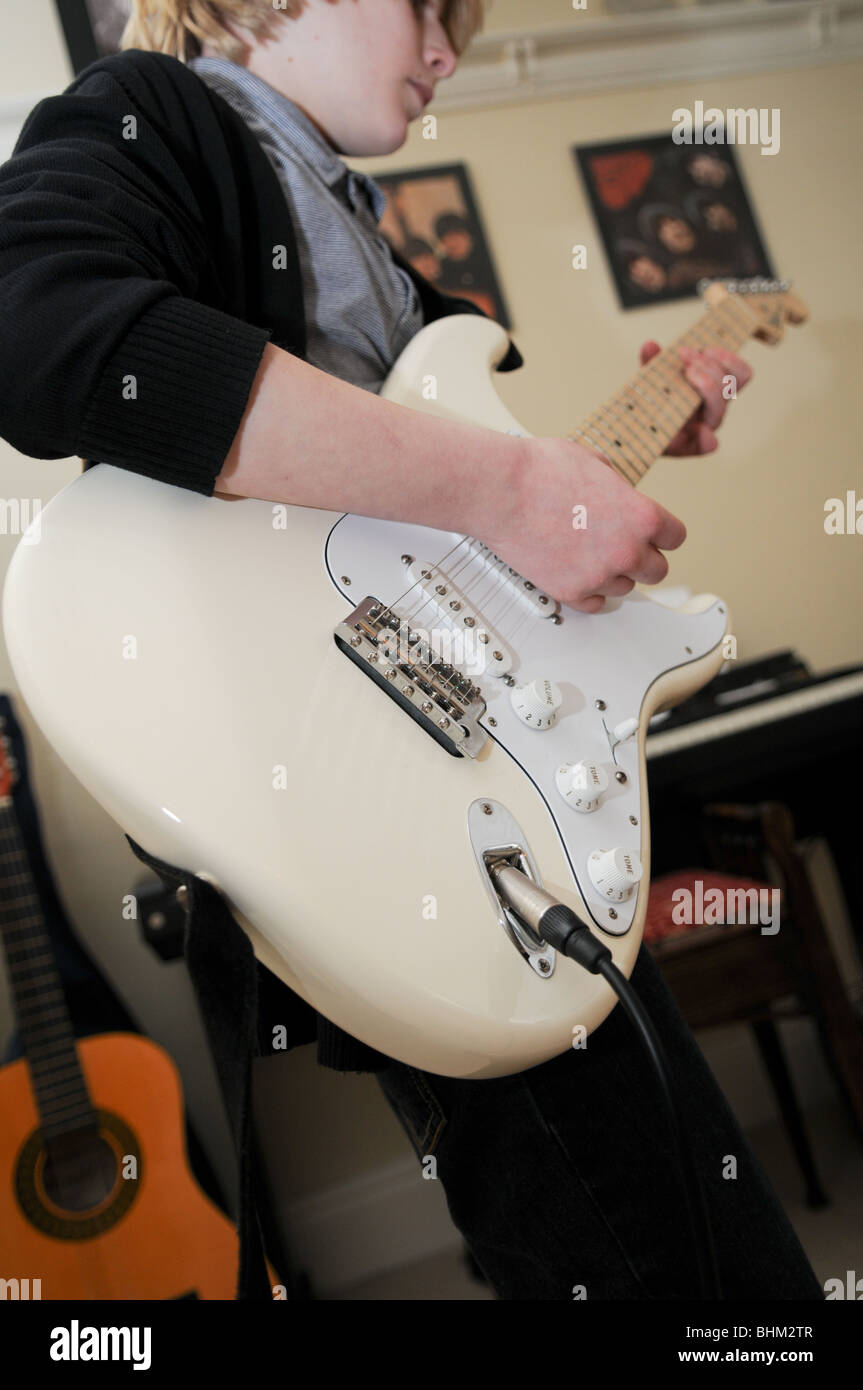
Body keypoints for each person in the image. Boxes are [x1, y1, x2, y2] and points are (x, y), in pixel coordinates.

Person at [0, 0, 823, 1302]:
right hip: (389, 811)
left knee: (675, 1242)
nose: (451, 51)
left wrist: (611, 451)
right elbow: (40, 327)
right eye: (431, 9)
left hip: (490, 781)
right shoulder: (142, 114)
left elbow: (436, 542)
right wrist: (509, 490)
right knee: (680, 1268)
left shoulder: (360, 238)